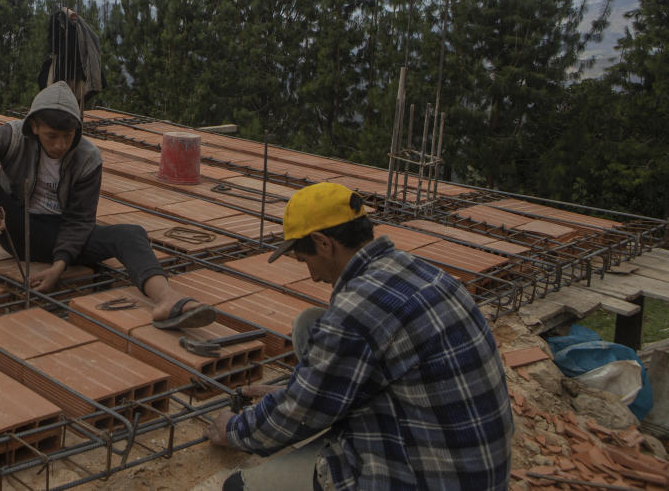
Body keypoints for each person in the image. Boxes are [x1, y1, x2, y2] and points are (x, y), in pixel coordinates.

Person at [206, 182, 513, 491]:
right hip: (476, 465)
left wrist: (233, 429)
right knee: (311, 325)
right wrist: (293, 389)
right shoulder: (423, 272)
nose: (311, 274)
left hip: (429, 477)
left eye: (304, 259)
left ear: (323, 243)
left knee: (238, 487)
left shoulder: (357, 310)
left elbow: (297, 413)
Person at [0, 80, 216, 330]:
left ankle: (165, 299)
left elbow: (80, 220)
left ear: (77, 130)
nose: (60, 145)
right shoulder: (12, 136)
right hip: (14, 226)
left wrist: (59, 266)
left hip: (59, 236)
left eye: (67, 136)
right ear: (34, 127)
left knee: (131, 234)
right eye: (51, 136)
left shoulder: (88, 158)